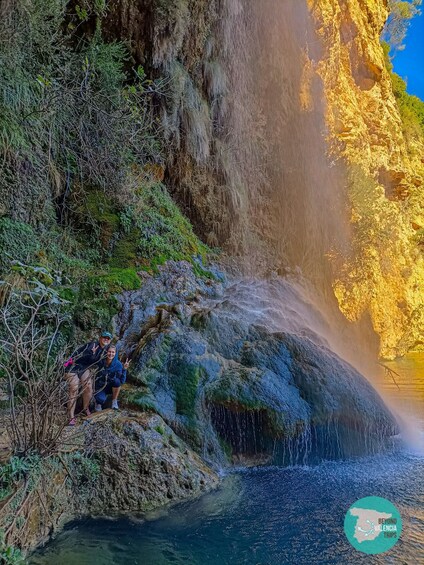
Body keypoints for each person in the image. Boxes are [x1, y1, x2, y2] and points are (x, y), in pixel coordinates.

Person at [64, 331, 113, 425]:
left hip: (84, 368)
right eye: (104, 337)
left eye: (108, 338)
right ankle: (71, 417)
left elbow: (99, 364)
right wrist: (91, 353)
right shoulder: (93, 345)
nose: (106, 339)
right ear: (100, 338)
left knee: (88, 387)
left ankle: (85, 409)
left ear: (110, 341)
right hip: (72, 366)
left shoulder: (105, 351)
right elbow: (81, 356)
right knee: (74, 388)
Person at [94, 345, 130, 411]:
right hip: (100, 386)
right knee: (101, 399)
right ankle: (98, 403)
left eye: (113, 352)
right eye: (109, 352)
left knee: (117, 382)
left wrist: (124, 369)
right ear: (106, 352)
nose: (111, 354)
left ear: (115, 353)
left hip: (110, 387)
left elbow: (122, 381)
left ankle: (114, 401)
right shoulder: (100, 361)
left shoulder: (118, 364)